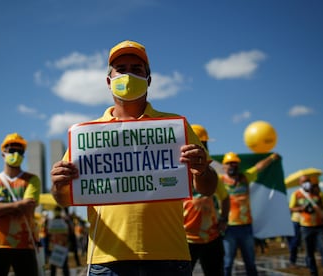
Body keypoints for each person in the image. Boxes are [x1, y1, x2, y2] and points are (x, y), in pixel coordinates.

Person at [50, 40, 218, 276]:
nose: (128, 75)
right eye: (121, 69)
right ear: (109, 81)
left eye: (136, 70)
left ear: (148, 80)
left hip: (169, 256)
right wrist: (58, 184)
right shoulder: (86, 135)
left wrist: (202, 169)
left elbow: (208, 187)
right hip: (107, 259)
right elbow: (64, 199)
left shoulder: (175, 127)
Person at [0, 133, 41, 276]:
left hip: (25, 244)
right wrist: (17, 206)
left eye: (20, 151)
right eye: (11, 150)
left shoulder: (32, 179)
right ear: (3, 154)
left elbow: (28, 207)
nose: (15, 154)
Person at [220, 151, 280, 276]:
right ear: (224, 166)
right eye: (229, 163)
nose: (232, 166)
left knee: (250, 262)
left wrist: (271, 158)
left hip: (246, 227)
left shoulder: (246, 177)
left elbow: (259, 167)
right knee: (227, 263)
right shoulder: (219, 181)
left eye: (235, 163)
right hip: (228, 228)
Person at [183, 125, 229, 275]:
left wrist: (223, 220)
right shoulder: (177, 173)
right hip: (186, 239)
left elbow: (225, 197)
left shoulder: (211, 173)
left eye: (204, 145)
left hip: (211, 237)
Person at [289, 174, 323, 276]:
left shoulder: (318, 193)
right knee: (309, 252)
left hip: (319, 226)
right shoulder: (296, 194)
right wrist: (300, 208)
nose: (306, 183)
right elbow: (291, 208)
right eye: (303, 182)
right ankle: (313, 272)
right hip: (305, 226)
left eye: (307, 181)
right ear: (299, 183)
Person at [47, 207, 71, 276]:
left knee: (53, 265)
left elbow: (48, 234)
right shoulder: (64, 221)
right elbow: (69, 233)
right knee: (64, 265)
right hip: (63, 245)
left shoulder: (51, 222)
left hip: (53, 246)